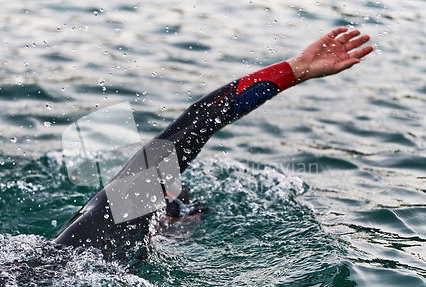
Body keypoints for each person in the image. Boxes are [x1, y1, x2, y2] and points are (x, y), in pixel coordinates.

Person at [53, 27, 373, 264]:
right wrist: (297, 69)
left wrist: (295, 69)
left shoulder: (100, 215)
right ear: (167, 218)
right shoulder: (129, 205)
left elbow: (200, 119)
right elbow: (203, 119)